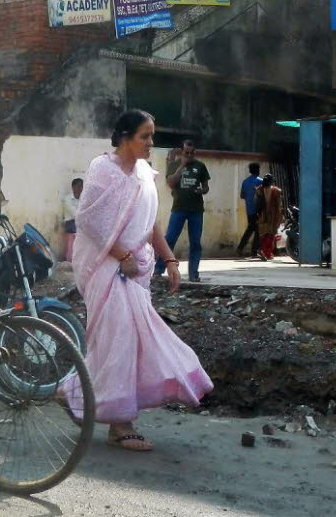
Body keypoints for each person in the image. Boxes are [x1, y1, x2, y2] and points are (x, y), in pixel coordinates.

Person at [60, 110, 213, 451]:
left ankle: (71, 391)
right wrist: (123, 257)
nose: (150, 143)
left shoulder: (144, 173)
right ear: (125, 137)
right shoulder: (103, 169)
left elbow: (150, 222)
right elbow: (89, 222)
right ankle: (120, 424)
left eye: (151, 136)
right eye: (144, 136)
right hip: (105, 266)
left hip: (134, 270)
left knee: (121, 340)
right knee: (121, 340)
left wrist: (170, 259)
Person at [154, 139, 210, 282]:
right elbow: (171, 182)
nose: (189, 155)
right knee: (170, 239)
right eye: (186, 152)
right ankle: (159, 270)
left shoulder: (200, 166)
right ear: (182, 151)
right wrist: (182, 166)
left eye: (192, 153)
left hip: (196, 210)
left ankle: (193, 273)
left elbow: (206, 187)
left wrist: (202, 190)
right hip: (179, 208)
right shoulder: (175, 164)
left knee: (195, 242)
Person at [255, 174, 284, 261]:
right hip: (272, 216)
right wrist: (281, 216)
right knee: (270, 235)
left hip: (262, 216)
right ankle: (266, 253)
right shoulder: (276, 191)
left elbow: (255, 203)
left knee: (264, 235)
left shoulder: (259, 190)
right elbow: (280, 206)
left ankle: (265, 252)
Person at [236, 162, 262, 257]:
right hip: (258, 210)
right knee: (258, 230)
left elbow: (242, 195)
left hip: (249, 209)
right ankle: (254, 251)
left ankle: (240, 249)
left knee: (251, 228)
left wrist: (249, 196)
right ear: (258, 170)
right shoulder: (260, 181)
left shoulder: (245, 181)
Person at [62, 177, 82, 261]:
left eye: (82, 186)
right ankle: (69, 259)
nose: (80, 188)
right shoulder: (67, 199)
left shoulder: (83, 199)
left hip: (80, 222)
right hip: (71, 223)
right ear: (73, 187)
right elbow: (75, 214)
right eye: (78, 186)